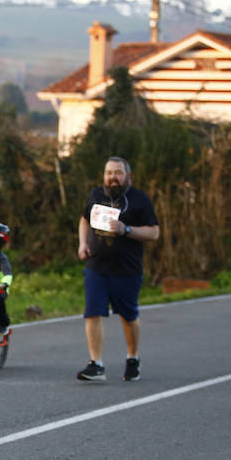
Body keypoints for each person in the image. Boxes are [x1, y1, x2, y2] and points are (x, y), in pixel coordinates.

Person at [77, 156, 159, 382]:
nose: (113, 177)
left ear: (128, 176)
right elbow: (85, 220)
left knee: (128, 316)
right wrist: (83, 243)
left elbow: (154, 233)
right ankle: (97, 364)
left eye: (118, 173)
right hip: (97, 265)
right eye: (109, 173)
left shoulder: (139, 200)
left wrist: (126, 229)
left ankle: (133, 358)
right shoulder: (96, 196)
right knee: (92, 312)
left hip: (127, 268)